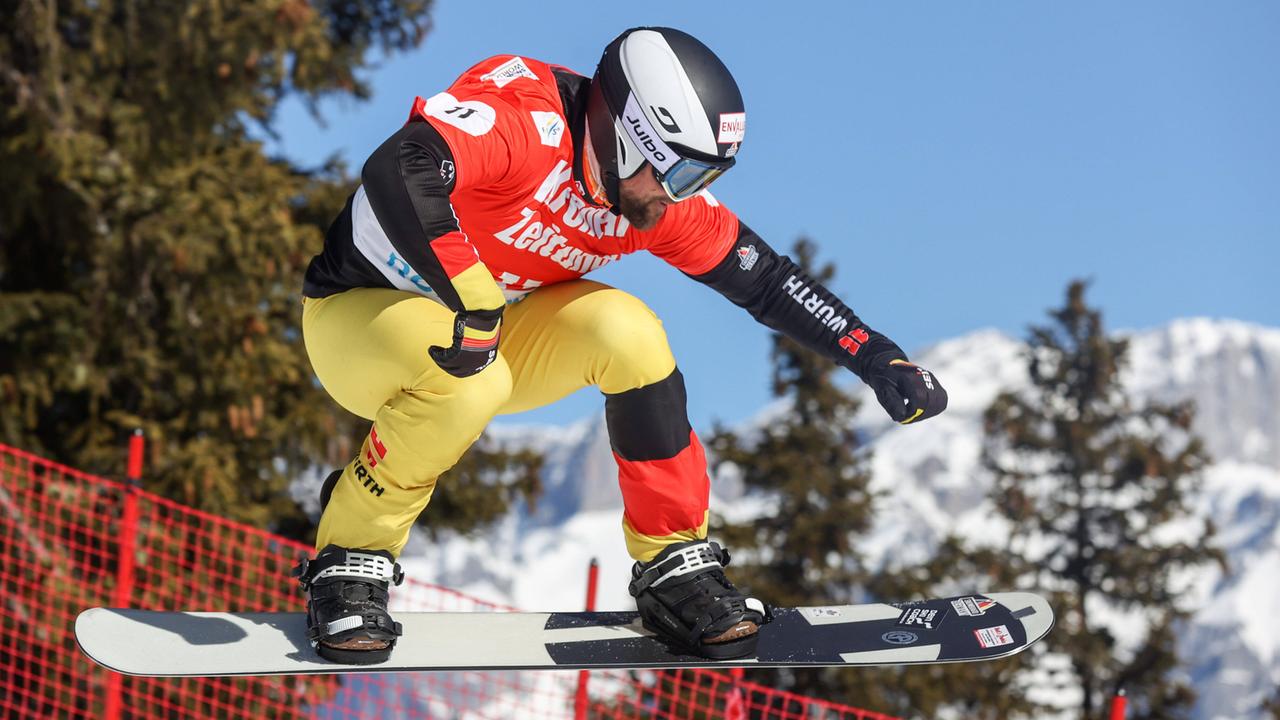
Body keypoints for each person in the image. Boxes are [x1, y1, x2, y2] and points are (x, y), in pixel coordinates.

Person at [294, 26, 948, 665]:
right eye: (678, 171)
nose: (677, 197)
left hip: (483, 339)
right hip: (359, 318)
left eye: (700, 178)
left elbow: (767, 280)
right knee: (477, 379)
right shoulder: (527, 118)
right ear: (620, 132)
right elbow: (401, 165)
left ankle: (673, 568)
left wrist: (874, 354)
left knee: (630, 332)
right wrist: (473, 292)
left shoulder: (652, 198)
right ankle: (351, 557)